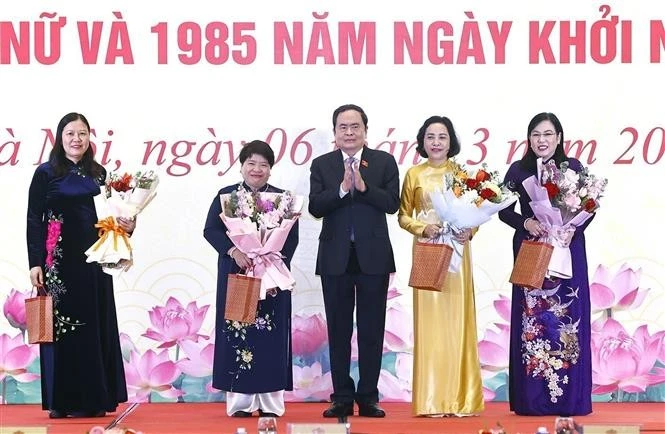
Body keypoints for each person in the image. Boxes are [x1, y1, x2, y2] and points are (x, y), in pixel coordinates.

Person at [27, 112, 133, 418]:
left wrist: (128, 224)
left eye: (82, 133)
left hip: (95, 261)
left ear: (90, 138)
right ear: (60, 138)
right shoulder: (46, 173)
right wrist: (35, 262)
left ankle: (95, 399)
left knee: (94, 327)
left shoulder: (99, 174)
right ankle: (62, 401)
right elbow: (35, 219)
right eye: (71, 133)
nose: (77, 139)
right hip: (58, 263)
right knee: (61, 332)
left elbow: (114, 217)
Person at [498, 112, 593, 416]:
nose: (541, 140)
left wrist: (571, 228)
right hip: (532, 248)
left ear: (559, 138)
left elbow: (590, 205)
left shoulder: (574, 168)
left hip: (567, 249)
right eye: (536, 134)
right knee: (534, 320)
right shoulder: (519, 169)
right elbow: (502, 210)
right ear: (529, 139)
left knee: (568, 318)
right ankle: (533, 399)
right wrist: (525, 221)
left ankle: (570, 398)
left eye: (548, 134)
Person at [309, 104, 400, 418]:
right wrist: (341, 188)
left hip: (373, 259)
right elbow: (315, 207)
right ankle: (342, 397)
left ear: (365, 130)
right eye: (342, 127)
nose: (349, 132)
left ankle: (369, 396)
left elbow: (392, 203)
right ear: (334, 132)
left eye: (354, 126)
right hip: (335, 260)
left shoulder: (383, 162)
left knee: (372, 330)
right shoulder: (322, 165)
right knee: (338, 330)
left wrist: (363, 187)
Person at [203, 140, 299, 417]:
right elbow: (211, 230)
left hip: (271, 276)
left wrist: (270, 258)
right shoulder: (227, 197)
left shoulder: (283, 200)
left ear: (271, 169)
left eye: (264, 165)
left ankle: (270, 404)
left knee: (270, 334)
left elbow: (290, 237)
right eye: (251, 163)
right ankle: (240, 404)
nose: (257, 169)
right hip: (238, 274)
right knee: (238, 332)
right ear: (241, 166)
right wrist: (234, 251)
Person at [397, 115, 484, 417]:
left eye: (442, 137)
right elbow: (403, 216)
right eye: (431, 136)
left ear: (451, 142)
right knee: (431, 326)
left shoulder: (462, 174)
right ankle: (432, 400)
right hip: (428, 252)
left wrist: (468, 231)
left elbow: (476, 214)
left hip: (458, 253)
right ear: (422, 141)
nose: (436, 142)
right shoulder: (413, 174)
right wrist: (423, 228)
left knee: (458, 323)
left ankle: (461, 400)